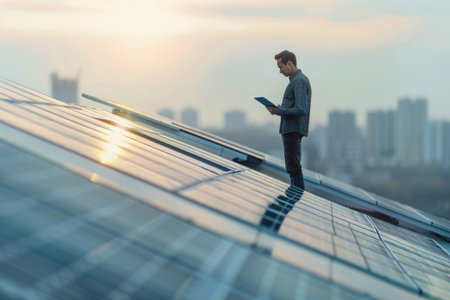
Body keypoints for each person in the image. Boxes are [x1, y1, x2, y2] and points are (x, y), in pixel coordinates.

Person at [266, 50, 311, 190]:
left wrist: (280, 111)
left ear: (289, 63)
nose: (280, 71)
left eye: (280, 67)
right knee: (292, 167)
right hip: (290, 129)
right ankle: (296, 197)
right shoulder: (296, 81)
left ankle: (297, 199)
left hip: (293, 130)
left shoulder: (299, 81)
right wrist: (279, 109)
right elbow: (295, 106)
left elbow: (301, 109)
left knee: (293, 167)